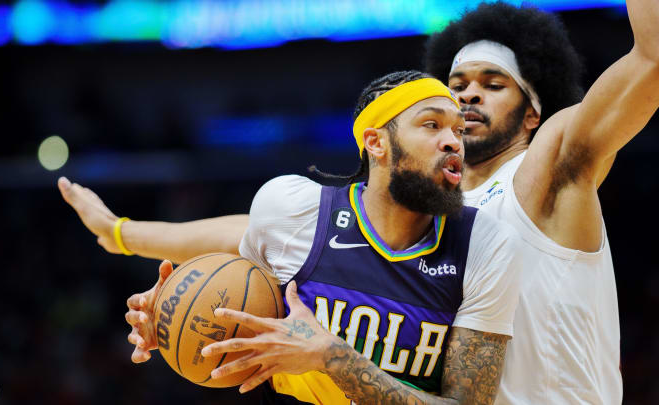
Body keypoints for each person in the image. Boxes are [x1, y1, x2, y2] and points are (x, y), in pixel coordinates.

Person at [60, 1, 659, 403]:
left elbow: (650, 59)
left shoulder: (547, 168)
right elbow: (253, 231)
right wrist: (123, 235)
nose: (469, 95)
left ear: (533, 112)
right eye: (454, 90)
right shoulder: (431, 212)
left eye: (492, 84)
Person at [130, 72, 521, 404]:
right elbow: (229, 308)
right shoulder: (292, 211)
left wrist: (335, 357)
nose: (454, 141)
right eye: (432, 125)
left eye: (458, 129)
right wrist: (168, 314)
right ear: (376, 142)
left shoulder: (484, 243)